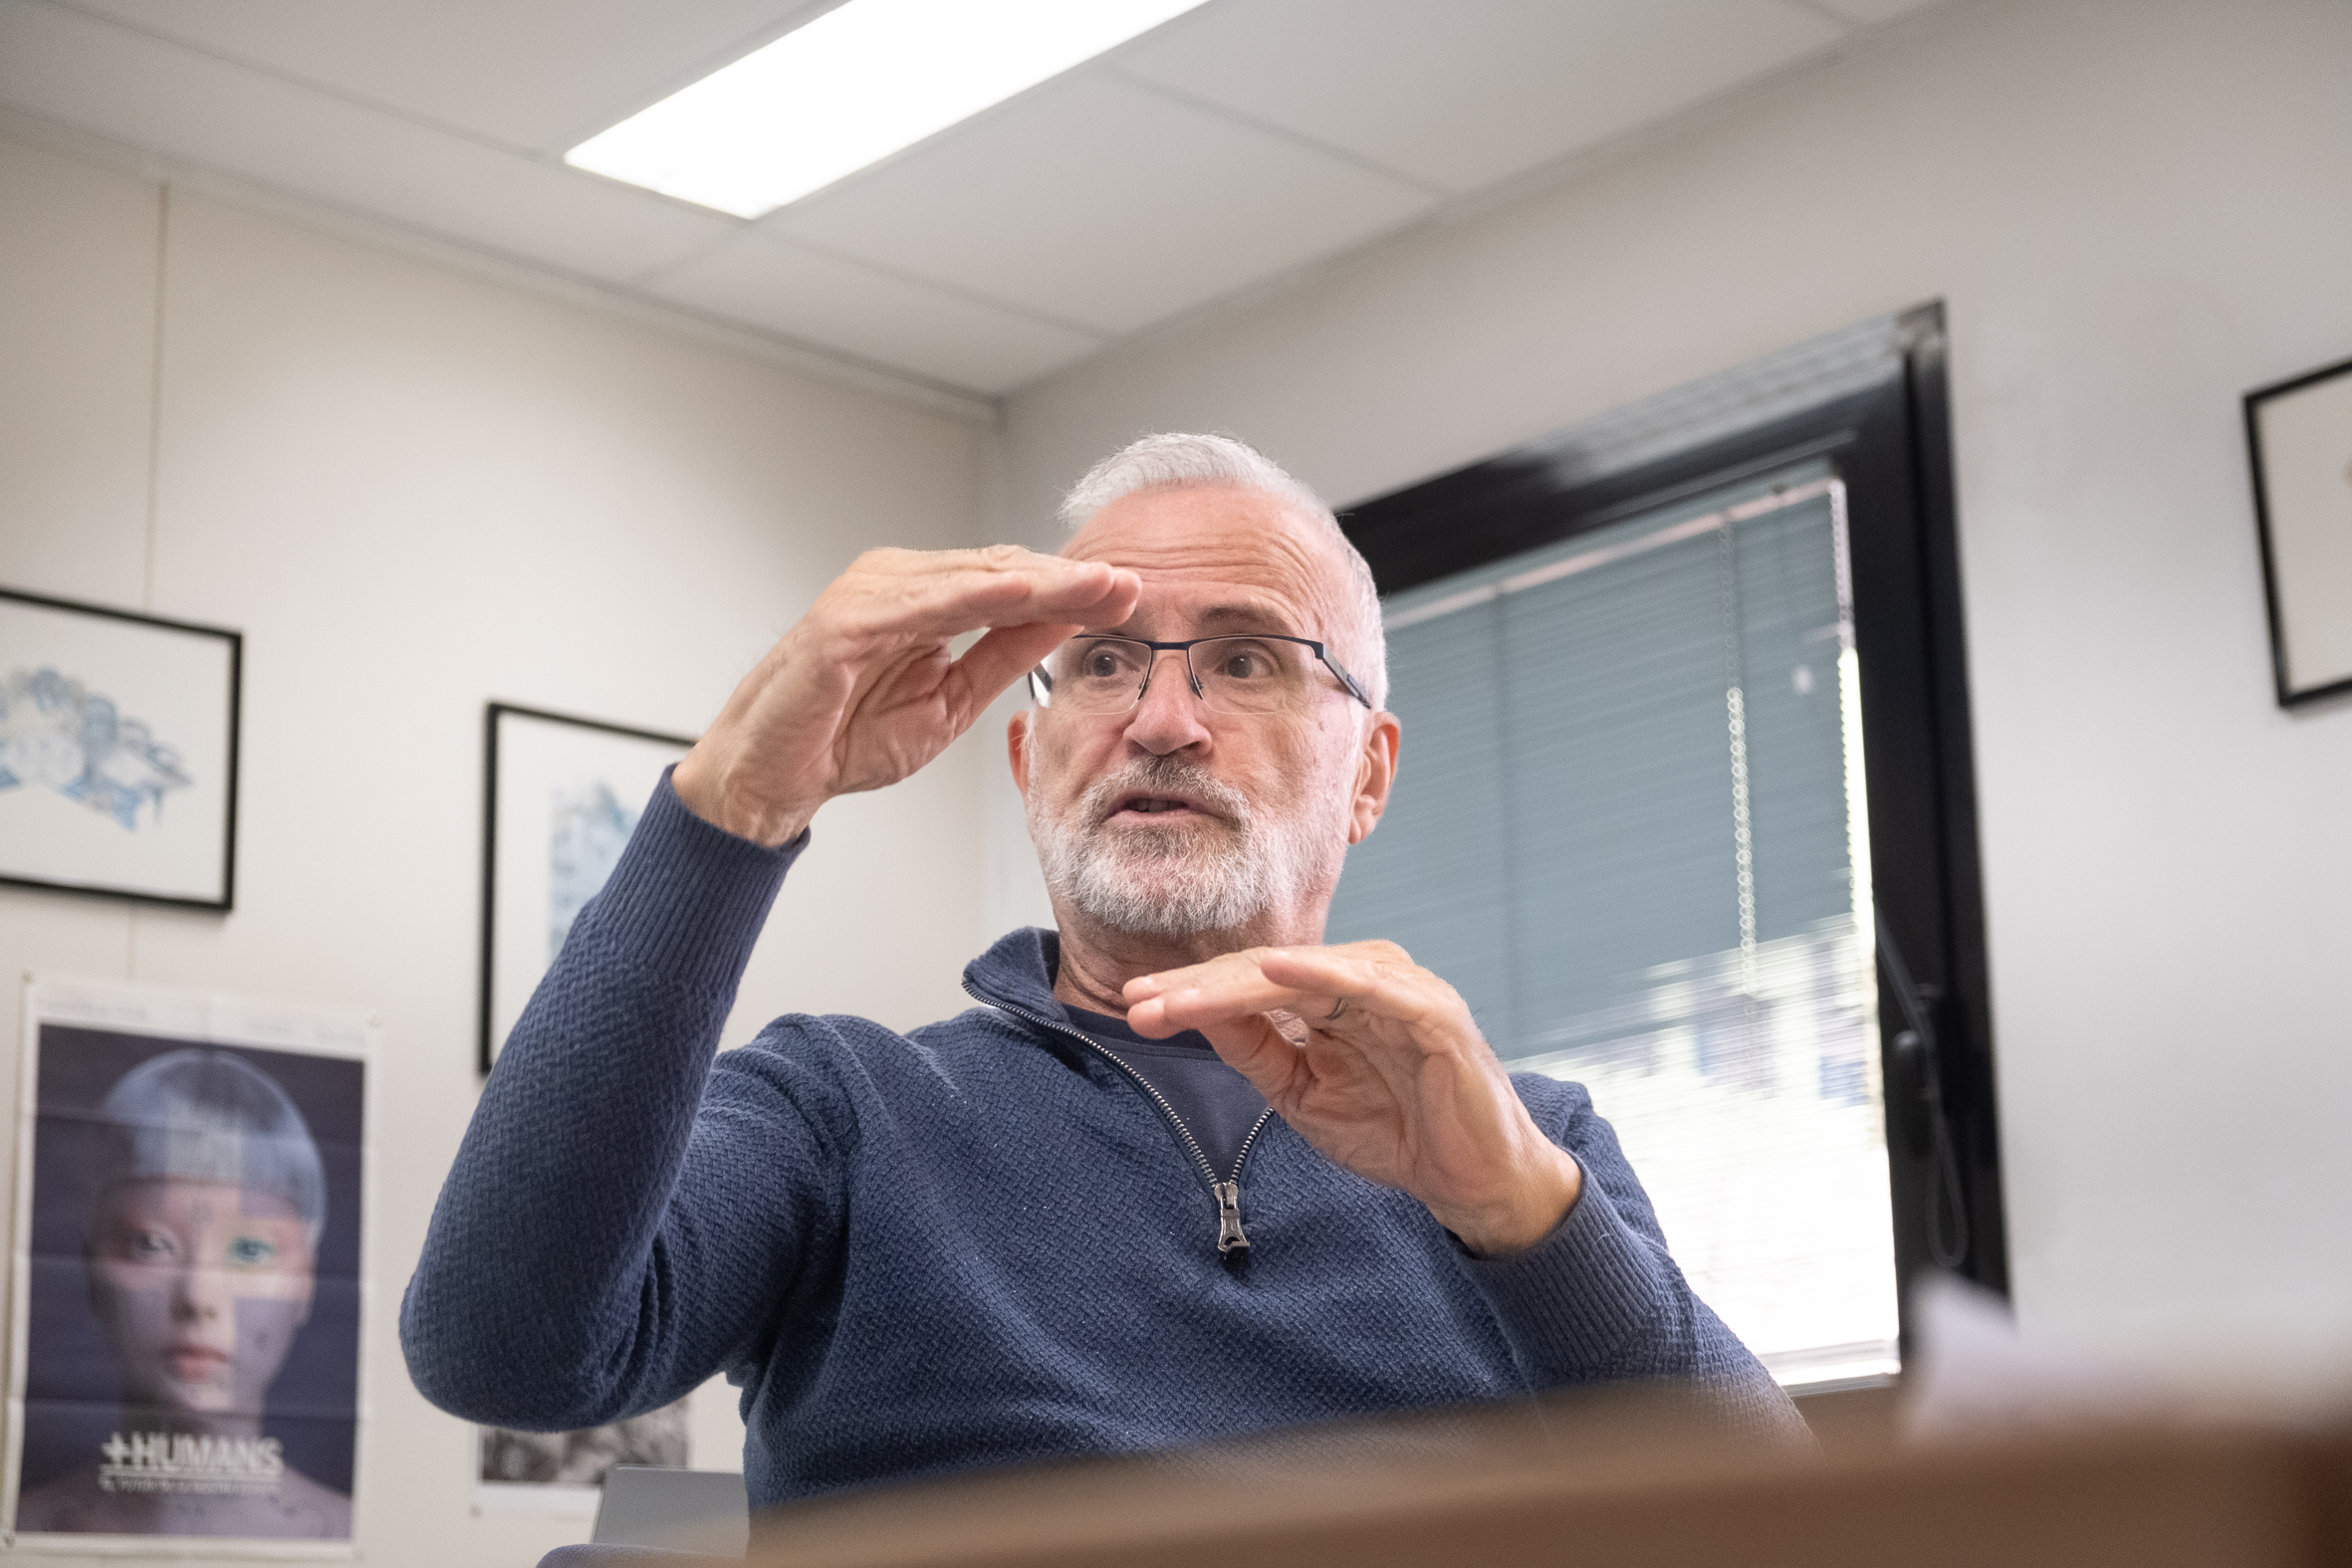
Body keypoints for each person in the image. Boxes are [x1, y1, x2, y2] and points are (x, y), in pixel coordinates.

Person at [402, 433, 1802, 1516]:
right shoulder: (845, 1107)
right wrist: (734, 799)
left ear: (1365, 772)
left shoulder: (1524, 1141)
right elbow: (505, 1353)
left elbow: (1788, 1527)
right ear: (1027, 759)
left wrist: (1517, 1211)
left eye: (1244, 657)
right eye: (1103, 662)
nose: (1162, 718)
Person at [17, 1049, 351, 1538]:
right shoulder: (24, 1528)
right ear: (92, 1268)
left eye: (250, 1250)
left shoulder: (354, 1533)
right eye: (151, 1245)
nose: (197, 1297)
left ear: (306, 1282)